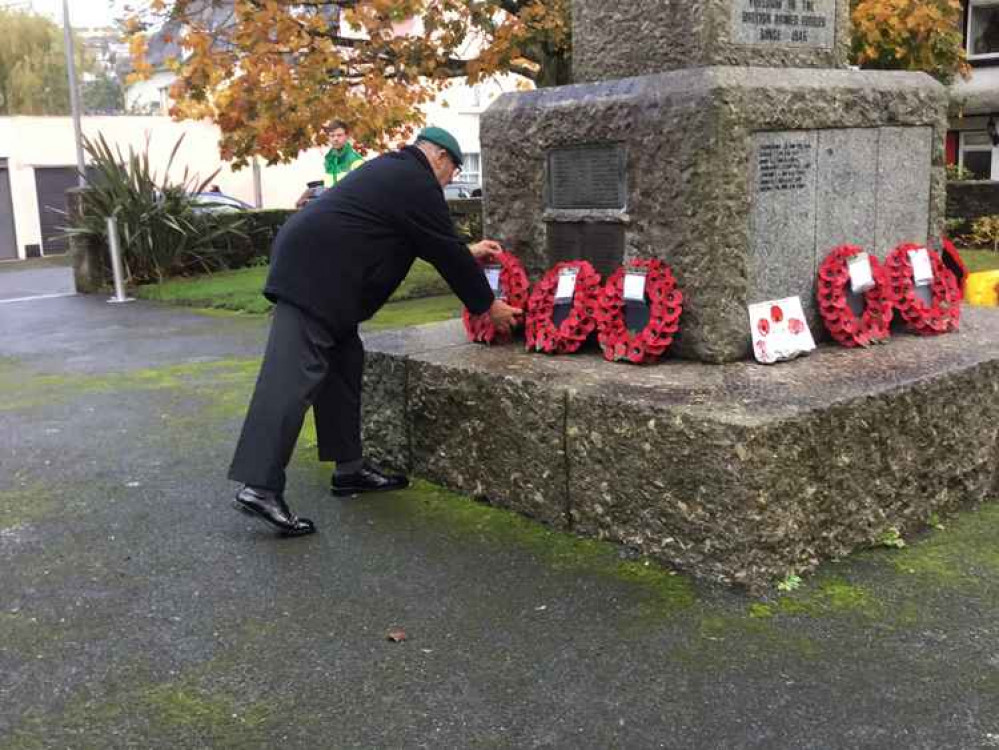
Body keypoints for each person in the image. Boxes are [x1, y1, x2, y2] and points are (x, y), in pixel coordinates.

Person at [229, 126, 523, 536]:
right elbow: (442, 251)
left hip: (328, 279)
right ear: (438, 156)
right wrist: (488, 306)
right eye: (453, 169)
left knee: (344, 365)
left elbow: (422, 238)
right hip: (312, 277)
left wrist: (466, 251)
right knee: (290, 379)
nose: (452, 178)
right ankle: (259, 486)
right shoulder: (415, 179)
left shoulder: (400, 173)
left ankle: (349, 468)